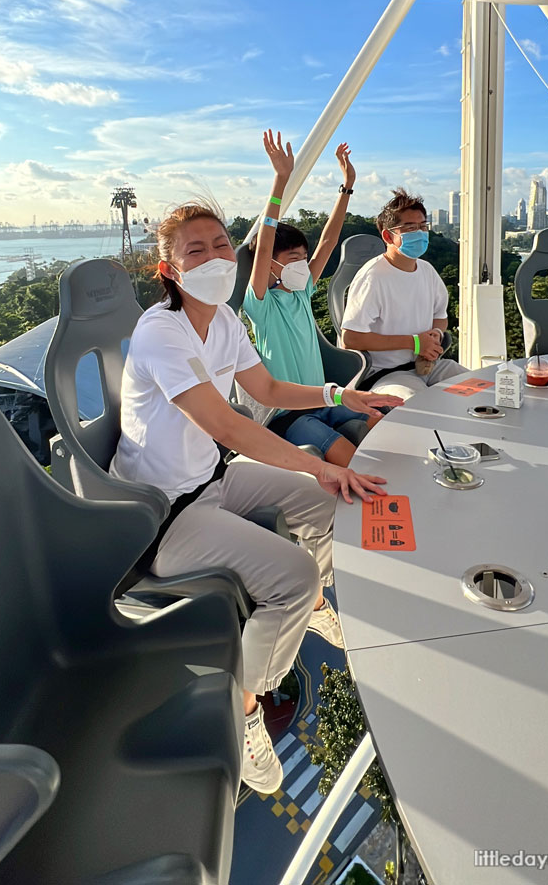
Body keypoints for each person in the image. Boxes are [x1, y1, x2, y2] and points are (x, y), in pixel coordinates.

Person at [111, 199, 391, 795]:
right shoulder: (161, 331)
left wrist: (340, 393)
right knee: (292, 572)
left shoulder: (228, 323)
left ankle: (312, 611)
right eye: (195, 249)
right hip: (161, 515)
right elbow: (229, 426)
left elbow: (263, 388)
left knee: (327, 506)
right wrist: (316, 467)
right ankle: (243, 713)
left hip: (213, 478)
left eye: (218, 244)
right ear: (169, 271)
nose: (213, 256)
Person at [242, 131, 401, 466]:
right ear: (270, 263)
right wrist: (280, 181)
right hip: (289, 415)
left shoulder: (302, 292)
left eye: (304, 257)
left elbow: (328, 241)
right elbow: (265, 241)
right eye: (293, 259)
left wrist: (347, 187)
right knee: (348, 458)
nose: (302, 264)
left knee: (384, 422)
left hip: (325, 400)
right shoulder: (262, 305)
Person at [341, 187, 467, 398]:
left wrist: (434, 336)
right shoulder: (374, 277)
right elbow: (351, 338)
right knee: (420, 407)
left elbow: (440, 317)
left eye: (423, 226)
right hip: (387, 374)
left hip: (430, 366)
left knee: (483, 390)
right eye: (409, 227)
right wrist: (415, 342)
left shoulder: (427, 271)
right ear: (388, 236)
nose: (419, 233)